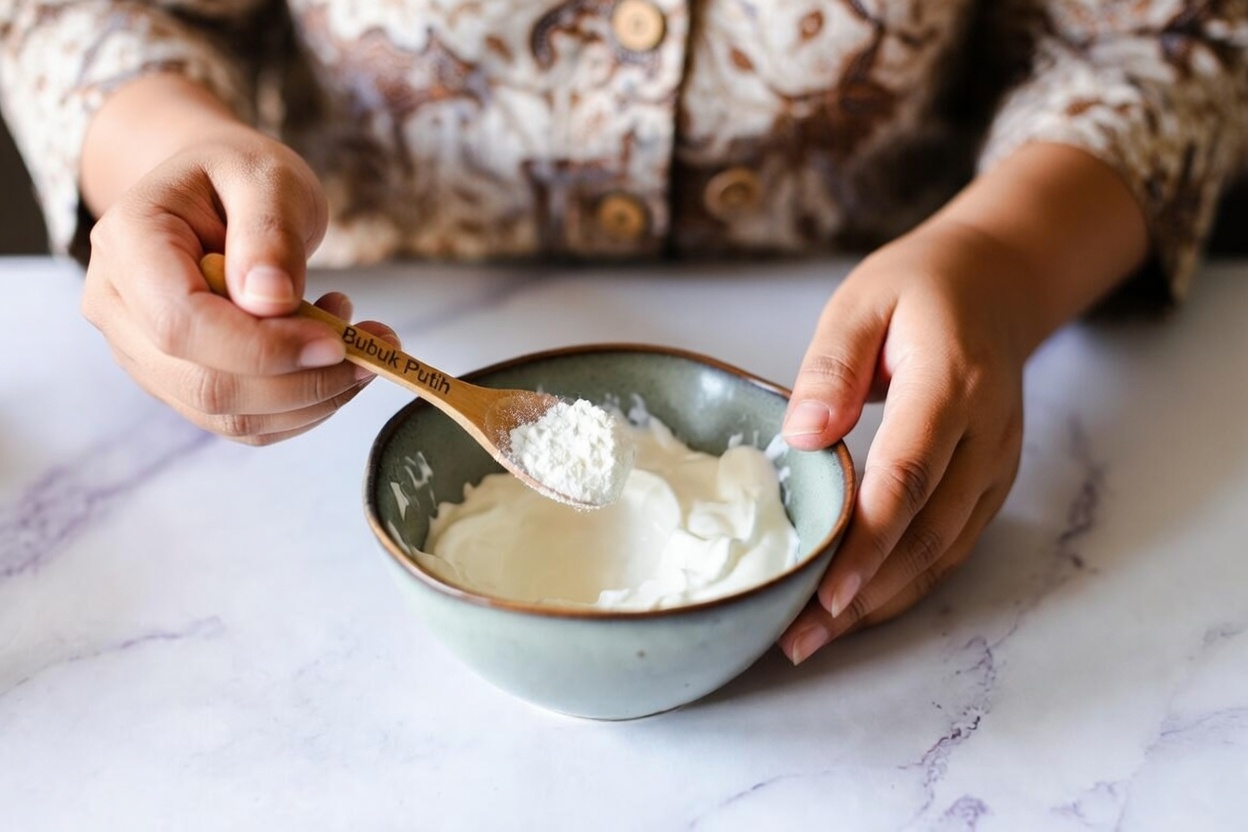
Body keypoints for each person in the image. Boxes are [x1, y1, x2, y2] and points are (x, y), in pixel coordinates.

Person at [2, 1, 1245, 666]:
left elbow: (1163, 37)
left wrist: (1007, 261)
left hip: (866, 336)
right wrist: (163, 155)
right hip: (389, 272)